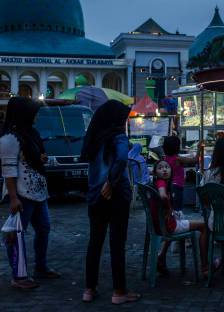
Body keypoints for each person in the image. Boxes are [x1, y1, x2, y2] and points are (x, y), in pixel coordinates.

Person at [81, 100, 140, 304]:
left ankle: (89, 289)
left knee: (94, 243)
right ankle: (119, 292)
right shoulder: (118, 136)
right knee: (117, 244)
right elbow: (122, 158)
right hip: (116, 195)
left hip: (95, 196)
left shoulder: (94, 138)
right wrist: (112, 182)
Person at [0, 97, 60, 290]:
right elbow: (8, 171)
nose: (36, 117)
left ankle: (40, 267)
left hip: (38, 192)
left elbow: (32, 158)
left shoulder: (30, 134)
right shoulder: (9, 139)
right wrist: (14, 198)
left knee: (43, 229)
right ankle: (18, 275)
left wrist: (40, 157)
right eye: (33, 113)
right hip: (22, 194)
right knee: (16, 234)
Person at [151, 160, 209, 277]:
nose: (164, 169)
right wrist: (168, 208)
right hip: (168, 226)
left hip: (158, 226)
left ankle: (161, 256)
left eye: (166, 167)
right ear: (155, 173)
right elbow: (162, 195)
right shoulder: (161, 183)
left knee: (180, 217)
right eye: (160, 168)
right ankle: (205, 267)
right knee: (203, 226)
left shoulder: (158, 183)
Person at [162, 135, 197, 214]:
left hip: (170, 185)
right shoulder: (178, 159)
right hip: (177, 186)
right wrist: (199, 149)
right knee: (178, 209)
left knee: (172, 207)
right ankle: (177, 224)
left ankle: (173, 223)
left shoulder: (165, 158)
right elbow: (195, 160)